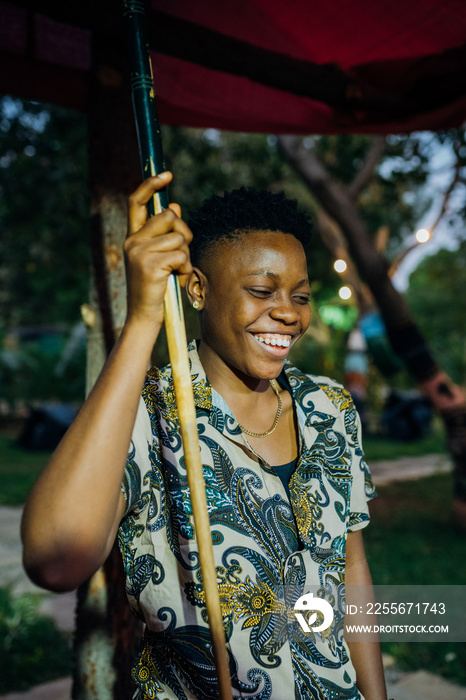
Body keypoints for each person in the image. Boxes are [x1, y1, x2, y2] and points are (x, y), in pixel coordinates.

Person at [21, 172, 388, 700]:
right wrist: (143, 318)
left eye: (301, 295)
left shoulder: (330, 406)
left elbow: (350, 566)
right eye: (262, 291)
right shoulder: (149, 414)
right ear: (198, 289)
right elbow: (56, 559)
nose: (288, 312)